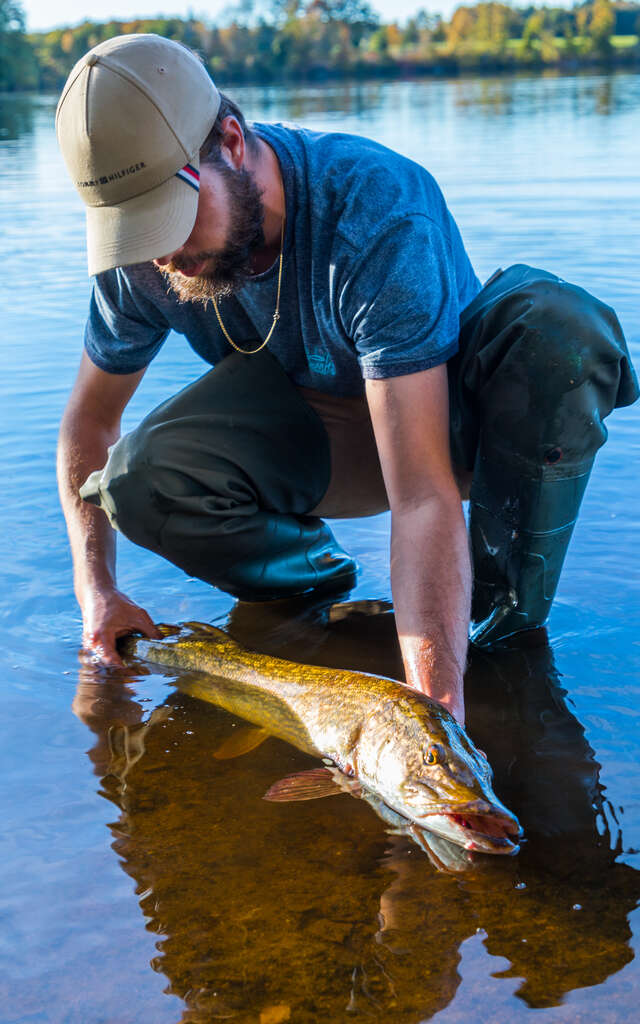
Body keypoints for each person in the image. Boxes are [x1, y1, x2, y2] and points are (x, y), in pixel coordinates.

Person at [55, 34, 638, 728]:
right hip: (323, 433)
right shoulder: (142, 263)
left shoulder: (374, 208)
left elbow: (422, 494)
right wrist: (97, 593)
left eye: (171, 218)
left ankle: (501, 628)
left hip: (453, 429)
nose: (162, 255)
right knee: (138, 478)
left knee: (559, 332)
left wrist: (435, 713)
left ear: (231, 143)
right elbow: (89, 421)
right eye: (136, 231)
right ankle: (312, 589)